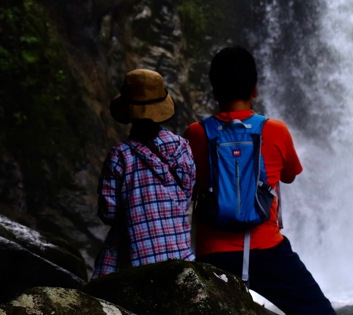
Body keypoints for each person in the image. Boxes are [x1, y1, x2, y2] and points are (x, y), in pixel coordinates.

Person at [184, 46, 336, 315]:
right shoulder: (275, 131)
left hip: (213, 253)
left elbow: (190, 184)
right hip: (267, 249)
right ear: (254, 89)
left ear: (214, 89)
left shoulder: (195, 134)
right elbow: (289, 175)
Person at [92, 68, 197, 279]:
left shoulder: (119, 156)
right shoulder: (182, 147)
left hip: (136, 260)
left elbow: (109, 213)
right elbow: (186, 197)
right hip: (179, 255)